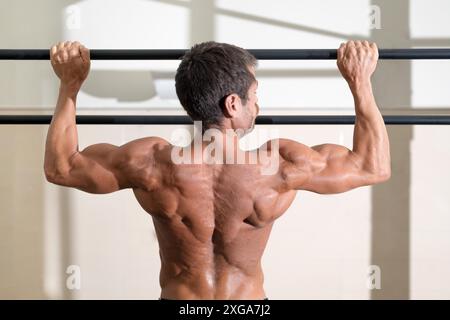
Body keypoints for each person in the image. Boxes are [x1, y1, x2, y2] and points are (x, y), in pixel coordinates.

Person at [44, 40, 391, 300]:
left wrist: (69, 85)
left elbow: (62, 168)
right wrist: (359, 81)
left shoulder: (150, 163)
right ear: (233, 103)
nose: (258, 105)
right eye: (254, 96)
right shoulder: (277, 167)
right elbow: (371, 167)